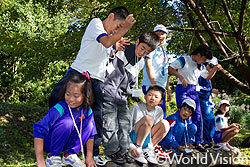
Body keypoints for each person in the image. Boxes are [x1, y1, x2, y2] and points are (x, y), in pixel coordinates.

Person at [48, 6, 136, 166]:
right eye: (117, 27)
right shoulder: (96, 24)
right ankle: (53, 153)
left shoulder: (110, 38)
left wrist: (115, 46)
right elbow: (106, 42)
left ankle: (82, 153)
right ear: (110, 17)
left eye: (119, 29)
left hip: (97, 80)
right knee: (59, 106)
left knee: (94, 119)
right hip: (79, 73)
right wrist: (124, 29)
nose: (116, 31)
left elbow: (106, 50)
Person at [102, 31, 160, 164]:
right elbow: (106, 56)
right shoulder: (124, 48)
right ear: (138, 42)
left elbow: (133, 83)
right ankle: (112, 152)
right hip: (108, 92)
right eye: (142, 48)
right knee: (109, 124)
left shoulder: (141, 63)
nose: (142, 53)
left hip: (122, 98)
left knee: (125, 125)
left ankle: (123, 152)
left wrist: (137, 98)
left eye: (146, 52)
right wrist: (114, 46)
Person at [33, 71, 97, 167]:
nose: (71, 99)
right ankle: (52, 156)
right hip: (50, 142)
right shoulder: (59, 108)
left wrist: (89, 157)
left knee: (90, 125)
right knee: (68, 122)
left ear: (85, 96)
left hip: (67, 142)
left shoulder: (87, 111)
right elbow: (39, 130)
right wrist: (40, 162)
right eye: (68, 94)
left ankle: (69, 155)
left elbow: (91, 135)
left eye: (76, 96)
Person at [168, 44, 217, 152]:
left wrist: (216, 69)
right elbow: (170, 68)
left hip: (194, 91)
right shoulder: (184, 59)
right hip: (183, 89)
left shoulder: (200, 66)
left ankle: (196, 142)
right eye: (203, 59)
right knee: (183, 116)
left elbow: (207, 77)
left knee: (197, 116)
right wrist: (180, 77)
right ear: (199, 55)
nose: (204, 61)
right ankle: (177, 142)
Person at [128, 85, 170, 164]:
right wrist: (131, 147)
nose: (152, 98)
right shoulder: (136, 108)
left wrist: (151, 146)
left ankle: (148, 150)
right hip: (135, 137)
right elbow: (126, 129)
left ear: (160, 102)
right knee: (148, 119)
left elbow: (156, 130)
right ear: (145, 97)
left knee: (165, 124)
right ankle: (138, 149)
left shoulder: (159, 110)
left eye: (156, 97)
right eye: (150, 95)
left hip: (148, 139)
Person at [141, 24, 171, 119]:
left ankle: (157, 134)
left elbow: (165, 71)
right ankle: (146, 133)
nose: (160, 36)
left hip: (161, 87)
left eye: (163, 34)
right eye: (158, 33)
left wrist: (168, 89)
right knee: (151, 115)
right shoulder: (152, 47)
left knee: (161, 115)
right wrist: (154, 85)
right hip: (151, 85)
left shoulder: (164, 50)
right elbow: (148, 65)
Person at [198, 57, 222, 149]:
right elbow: (208, 77)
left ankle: (209, 140)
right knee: (205, 120)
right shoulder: (203, 72)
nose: (211, 68)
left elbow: (208, 84)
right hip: (201, 99)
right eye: (211, 65)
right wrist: (215, 69)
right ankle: (203, 141)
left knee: (211, 120)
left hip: (207, 100)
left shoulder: (208, 74)